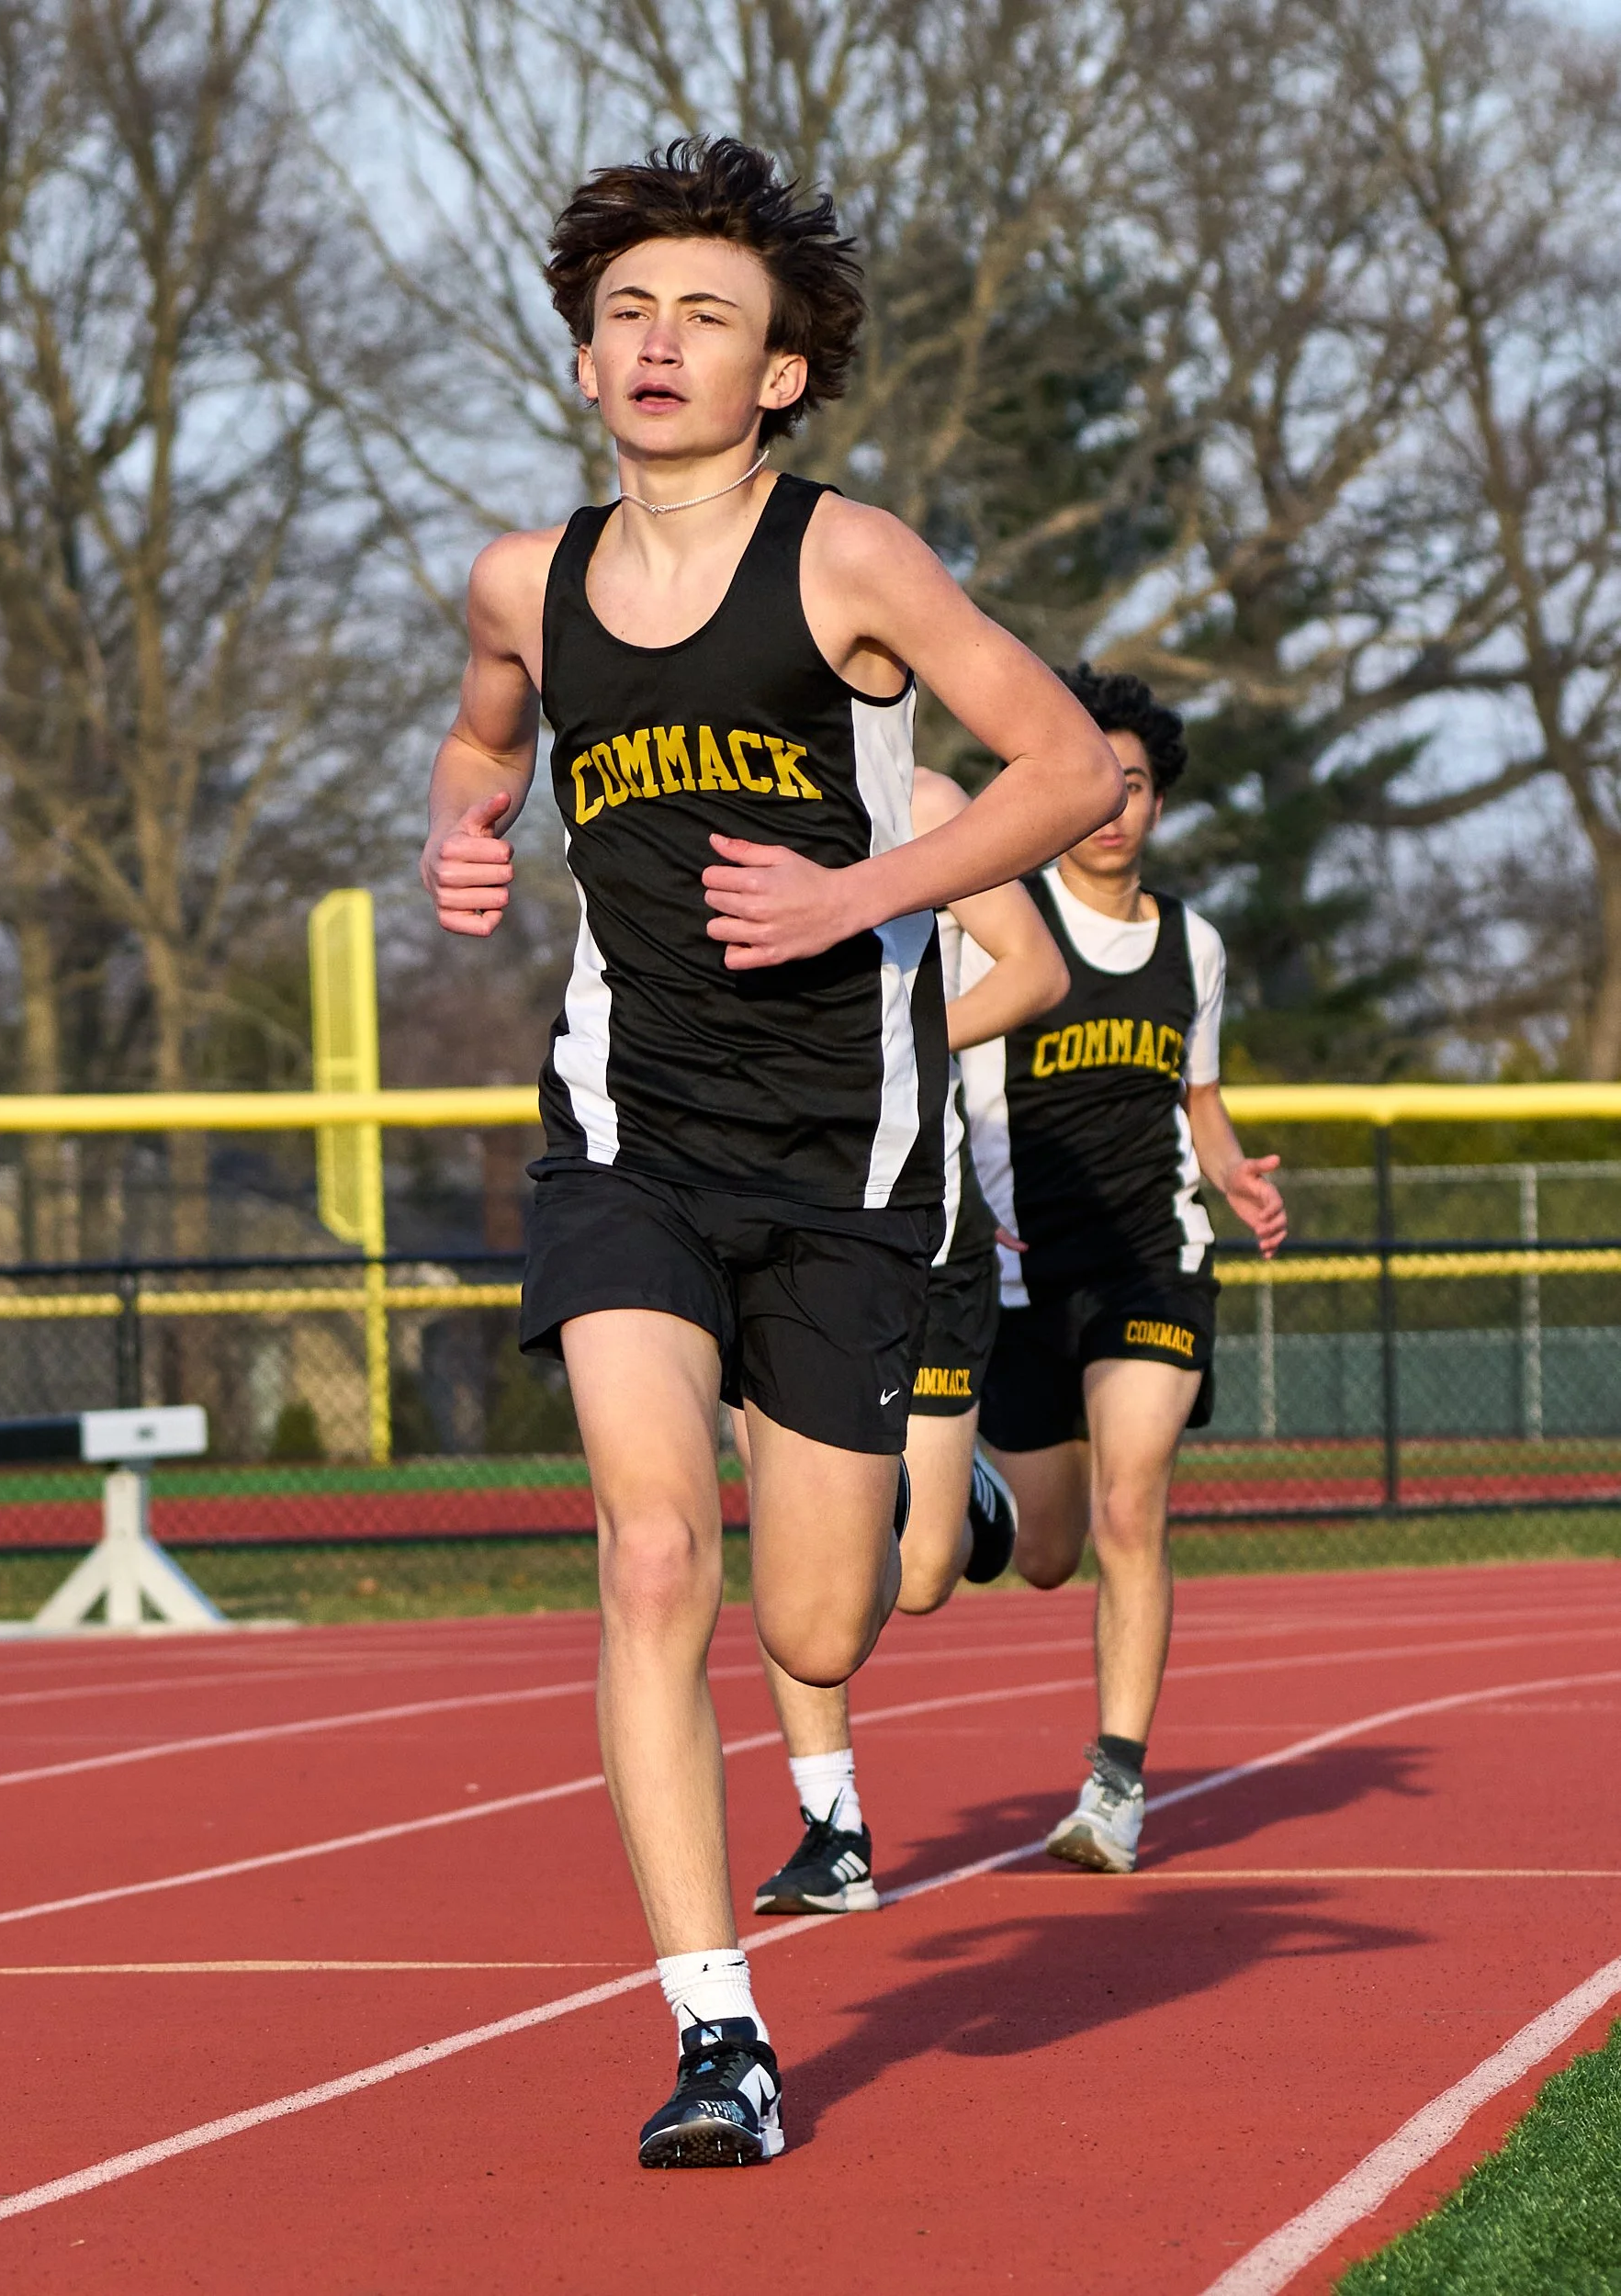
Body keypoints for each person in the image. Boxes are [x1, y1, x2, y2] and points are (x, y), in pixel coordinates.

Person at [420, 139, 1125, 2167]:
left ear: (780, 373)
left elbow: (1067, 765)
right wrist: (459, 833)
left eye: (705, 316)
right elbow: (481, 739)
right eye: (627, 312)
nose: (659, 343)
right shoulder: (522, 583)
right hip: (626, 1134)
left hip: (843, 1153)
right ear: (582, 358)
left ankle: (939, 1499)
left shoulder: (849, 565)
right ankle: (716, 2027)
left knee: (821, 1624)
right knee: (654, 1554)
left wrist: (860, 895)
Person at [963, 666, 1287, 1877]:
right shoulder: (1001, 920)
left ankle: (1114, 1784)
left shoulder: (1192, 944)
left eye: (1134, 785)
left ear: (1157, 800)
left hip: (1153, 1260)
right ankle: (974, 1488)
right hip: (1021, 1272)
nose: (1112, 808)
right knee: (1047, 1552)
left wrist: (1233, 1174)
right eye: (1094, 783)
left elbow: (1198, 1099)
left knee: (1128, 1504)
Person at [747, 765, 1068, 1919]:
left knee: (921, 1573)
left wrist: (895, 1041)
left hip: (921, 1228)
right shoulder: (702, 790)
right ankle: (830, 1824)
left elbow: (1035, 969)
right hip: (768, 1222)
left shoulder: (922, 803)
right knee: (784, 1524)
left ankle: (960, 1489)